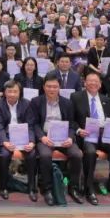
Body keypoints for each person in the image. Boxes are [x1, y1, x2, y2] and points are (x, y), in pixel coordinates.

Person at [71, 70, 110, 204]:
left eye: (96, 81)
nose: (93, 83)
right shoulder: (76, 97)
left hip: (105, 134)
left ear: (100, 84)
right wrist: (79, 130)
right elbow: (71, 120)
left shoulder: (106, 100)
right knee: (90, 152)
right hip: (87, 134)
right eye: (90, 81)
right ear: (85, 83)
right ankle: (89, 187)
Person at [31, 75, 84, 205]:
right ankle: (47, 189)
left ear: (59, 87)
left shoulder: (67, 103)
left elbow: (72, 124)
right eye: (49, 86)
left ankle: (73, 187)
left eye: (55, 87)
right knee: (45, 155)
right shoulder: (36, 101)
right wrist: (42, 137)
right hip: (45, 137)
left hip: (63, 137)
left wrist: (70, 138)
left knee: (77, 154)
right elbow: (34, 124)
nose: (52, 89)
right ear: (44, 87)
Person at [0, 80, 37, 202]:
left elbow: (30, 125)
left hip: (23, 137)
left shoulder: (26, 104)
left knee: (32, 154)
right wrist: (4, 142)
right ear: (4, 92)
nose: (12, 94)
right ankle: (3, 187)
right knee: (4, 155)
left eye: (15, 91)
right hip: (7, 137)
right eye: (9, 91)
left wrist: (31, 142)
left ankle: (31, 187)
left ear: (19, 92)